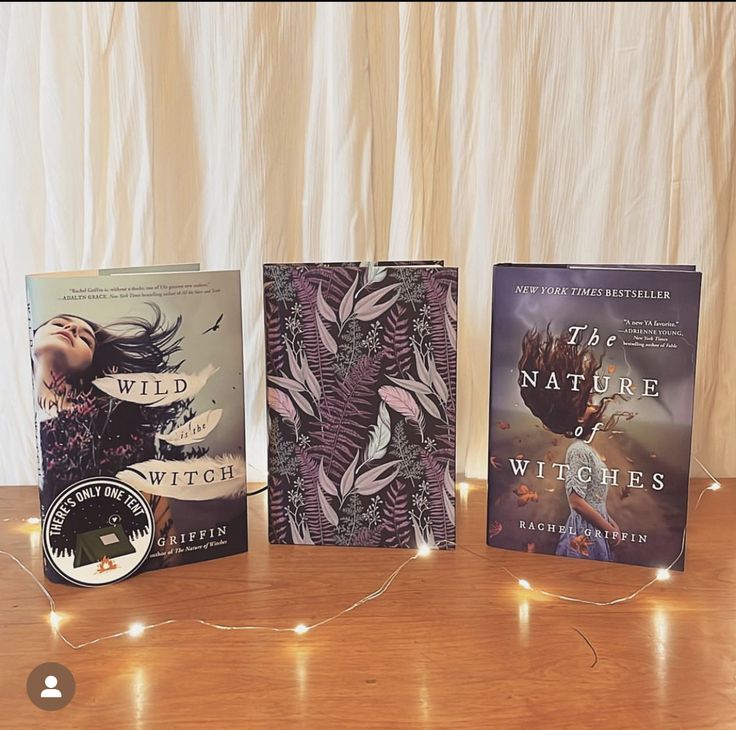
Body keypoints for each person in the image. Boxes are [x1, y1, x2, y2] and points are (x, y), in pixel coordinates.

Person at [518, 326, 626, 561]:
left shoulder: (584, 448)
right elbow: (576, 502)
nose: (594, 405)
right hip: (585, 533)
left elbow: (593, 500)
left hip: (594, 528)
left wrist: (610, 522)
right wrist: (609, 530)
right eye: (588, 402)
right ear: (578, 416)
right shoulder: (578, 450)